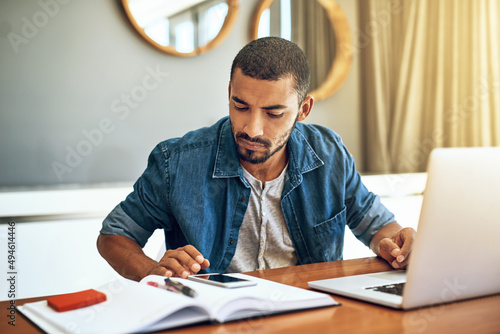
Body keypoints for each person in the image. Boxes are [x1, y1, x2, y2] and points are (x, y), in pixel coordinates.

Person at [97, 37, 416, 282]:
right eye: (240, 106)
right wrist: (154, 272)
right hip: (213, 318)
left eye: (274, 113)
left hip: (310, 315)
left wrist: (395, 243)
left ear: (303, 110)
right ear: (229, 93)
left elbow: (376, 225)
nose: (252, 128)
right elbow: (113, 237)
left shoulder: (330, 153)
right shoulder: (176, 162)